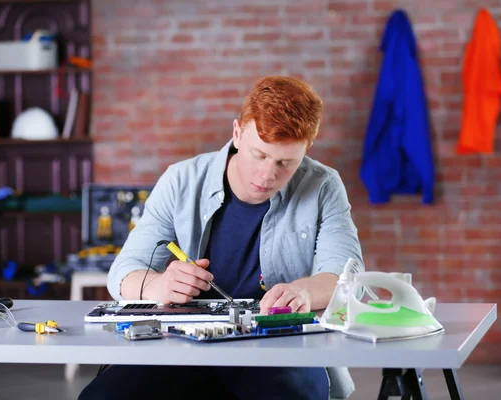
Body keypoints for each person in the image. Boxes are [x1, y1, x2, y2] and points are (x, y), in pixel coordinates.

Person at [79, 76, 364, 400]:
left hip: (281, 344)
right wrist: (159, 285)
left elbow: (346, 276)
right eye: (259, 155)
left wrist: (302, 292)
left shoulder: (324, 186)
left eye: (285, 162)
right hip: (183, 343)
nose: (267, 175)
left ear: (306, 149)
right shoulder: (181, 180)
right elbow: (123, 273)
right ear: (237, 133)